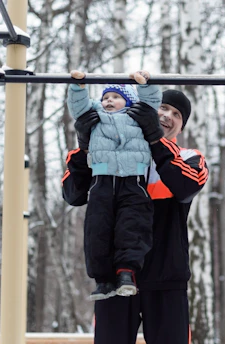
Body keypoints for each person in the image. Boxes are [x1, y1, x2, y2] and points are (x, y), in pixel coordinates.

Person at [62, 89, 208, 343]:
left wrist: (154, 139)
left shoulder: (189, 158)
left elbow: (185, 188)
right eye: (162, 108)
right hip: (116, 279)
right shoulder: (105, 152)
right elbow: (73, 194)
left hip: (166, 278)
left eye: (176, 114)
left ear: (181, 127)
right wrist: (86, 147)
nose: (167, 116)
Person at [67, 70, 162, 301]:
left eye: (115, 97)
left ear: (128, 101)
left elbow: (151, 101)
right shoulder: (96, 115)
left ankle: (126, 272)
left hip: (133, 181)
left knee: (131, 226)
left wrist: (144, 83)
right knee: (98, 229)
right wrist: (78, 86)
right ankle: (103, 280)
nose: (109, 101)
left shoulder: (137, 115)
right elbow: (78, 107)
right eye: (105, 97)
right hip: (102, 180)